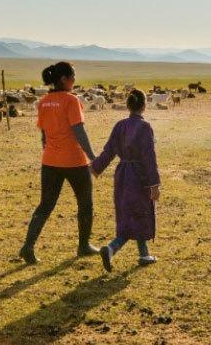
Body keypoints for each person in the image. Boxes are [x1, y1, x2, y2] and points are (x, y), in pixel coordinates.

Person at [18, 61, 98, 264]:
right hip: (74, 161)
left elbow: (44, 135)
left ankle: (28, 246)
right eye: (73, 76)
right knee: (85, 203)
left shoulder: (44, 101)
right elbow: (79, 130)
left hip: (50, 162)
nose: (74, 80)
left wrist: (51, 153)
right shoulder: (71, 100)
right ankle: (84, 246)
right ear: (64, 79)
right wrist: (92, 156)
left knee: (45, 205)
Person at [92, 89, 161, 270]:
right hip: (139, 176)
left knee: (129, 213)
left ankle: (144, 254)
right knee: (140, 212)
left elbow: (109, 151)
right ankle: (111, 248)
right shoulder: (145, 127)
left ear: (128, 105)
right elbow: (149, 157)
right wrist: (154, 185)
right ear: (144, 106)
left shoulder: (120, 125)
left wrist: (96, 167)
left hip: (122, 175)